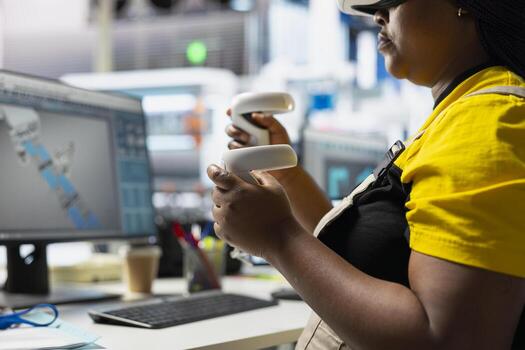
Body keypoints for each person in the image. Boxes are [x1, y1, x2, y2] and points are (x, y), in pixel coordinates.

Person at [207, 0, 525, 348]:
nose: (377, 15)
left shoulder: (485, 122)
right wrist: (286, 176)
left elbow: (444, 337)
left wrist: (277, 237)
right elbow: (362, 258)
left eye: (391, 0)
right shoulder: (464, 110)